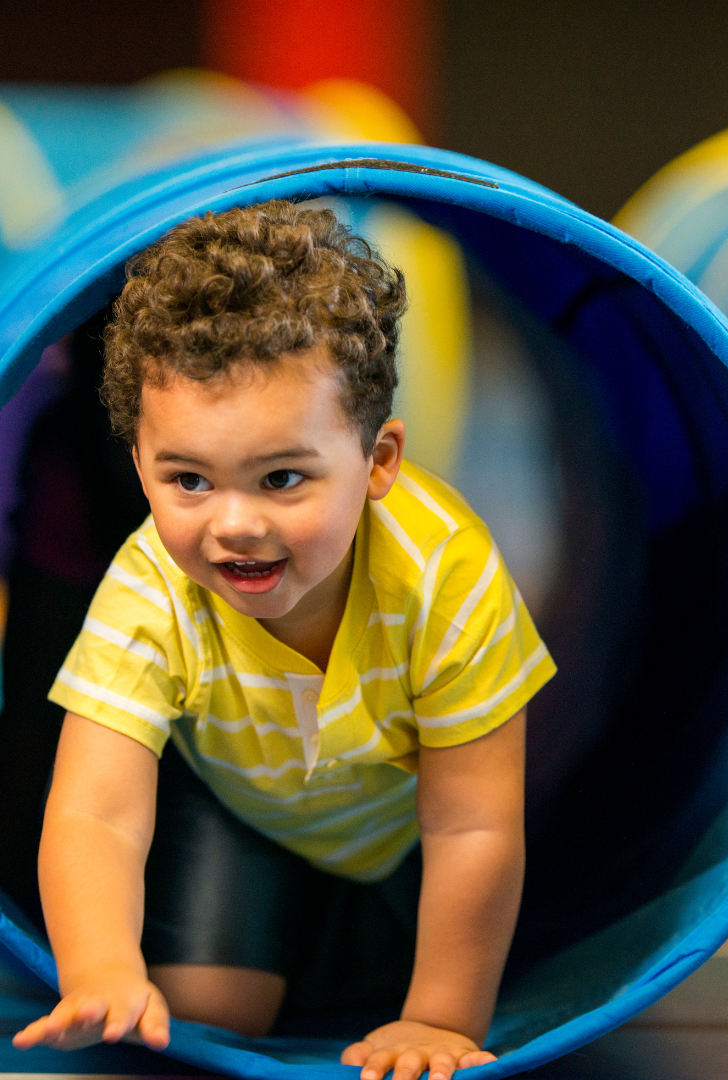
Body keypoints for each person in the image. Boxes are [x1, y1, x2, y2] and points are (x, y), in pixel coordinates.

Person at [12, 200, 556, 1080]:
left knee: (467, 958)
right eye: (187, 478)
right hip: (245, 810)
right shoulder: (153, 586)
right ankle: (291, 940)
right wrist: (102, 968)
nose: (235, 525)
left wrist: (441, 1018)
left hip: (405, 833)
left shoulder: (444, 578)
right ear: (139, 460)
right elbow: (94, 811)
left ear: (378, 461)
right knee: (202, 1018)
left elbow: (472, 823)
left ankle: (343, 943)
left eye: (282, 478)